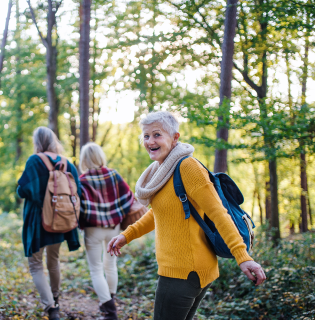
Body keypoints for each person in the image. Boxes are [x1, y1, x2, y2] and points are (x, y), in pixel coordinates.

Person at [107, 111, 267, 320]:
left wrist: (243, 257)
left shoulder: (187, 167)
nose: (150, 141)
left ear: (175, 138)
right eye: (146, 136)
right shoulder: (163, 170)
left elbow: (219, 213)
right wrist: (127, 235)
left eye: (157, 135)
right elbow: (159, 213)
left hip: (182, 273)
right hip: (185, 271)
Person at [17, 126, 82, 320]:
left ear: (37, 142)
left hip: (38, 220)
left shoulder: (34, 161)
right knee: (53, 261)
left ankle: (50, 308)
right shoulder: (67, 163)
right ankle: (56, 299)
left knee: (36, 265)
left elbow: (23, 189)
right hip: (61, 219)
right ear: (54, 141)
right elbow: (77, 189)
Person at [79, 142, 135, 320]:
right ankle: (110, 300)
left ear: (85, 159)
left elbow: (79, 208)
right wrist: (117, 213)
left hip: (93, 229)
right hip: (113, 227)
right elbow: (129, 197)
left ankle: (109, 311)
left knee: (96, 269)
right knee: (110, 265)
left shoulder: (83, 180)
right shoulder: (113, 175)